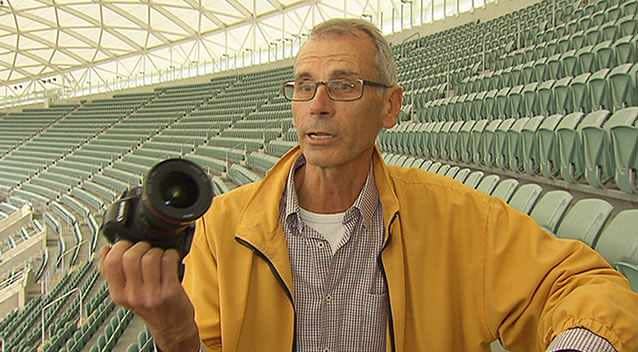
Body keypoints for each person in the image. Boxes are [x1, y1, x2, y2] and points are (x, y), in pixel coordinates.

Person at [99, 19, 638, 352]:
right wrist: (173, 335)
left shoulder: (458, 218)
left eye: (344, 85)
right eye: (305, 85)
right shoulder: (222, 228)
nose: (319, 104)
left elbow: (579, 285)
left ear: (391, 107)